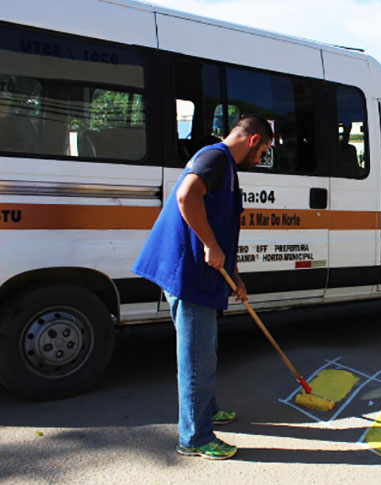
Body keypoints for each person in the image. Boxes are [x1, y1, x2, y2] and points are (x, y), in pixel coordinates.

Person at [132, 116, 273, 460]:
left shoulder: (226, 165)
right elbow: (186, 197)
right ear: (253, 138)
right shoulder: (214, 157)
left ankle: (206, 410)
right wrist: (210, 245)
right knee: (196, 354)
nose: (261, 158)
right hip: (189, 272)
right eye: (263, 151)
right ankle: (194, 436)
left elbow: (224, 225)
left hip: (203, 271)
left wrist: (235, 273)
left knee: (204, 347)